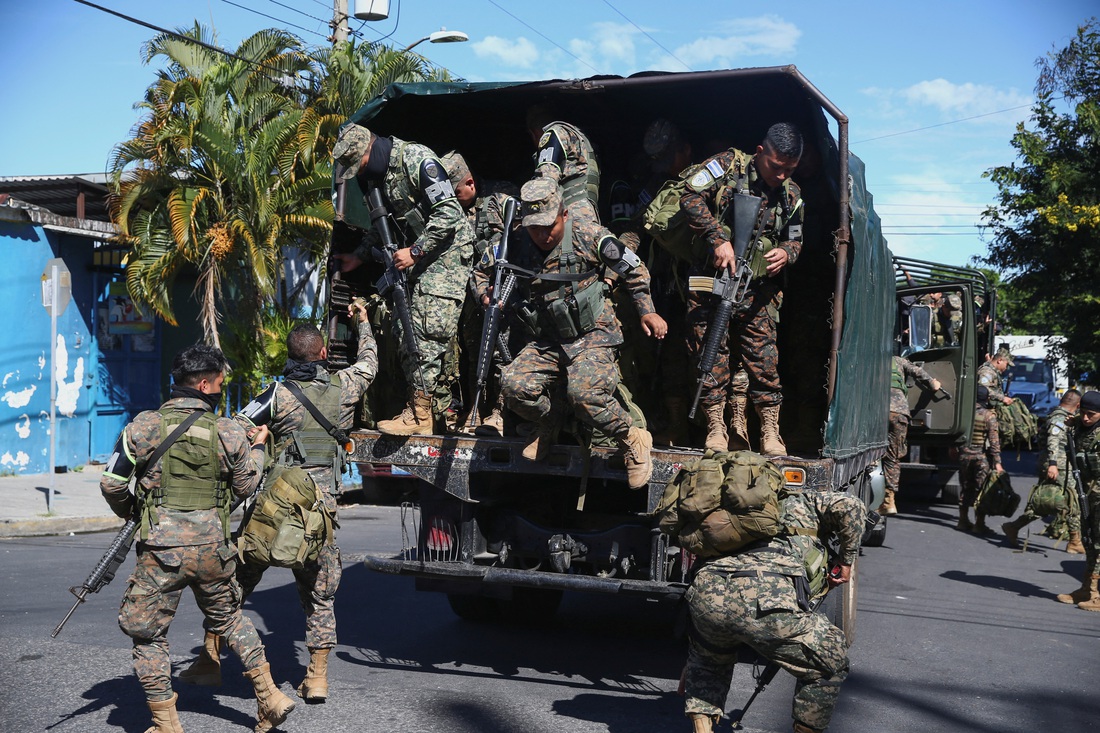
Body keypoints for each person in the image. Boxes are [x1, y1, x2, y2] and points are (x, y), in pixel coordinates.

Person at [180, 301, 378, 704]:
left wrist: (257, 445)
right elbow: (369, 360)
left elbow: (233, 427)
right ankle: (317, 677)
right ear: (324, 354)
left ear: (290, 357)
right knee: (320, 594)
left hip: (270, 508)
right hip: (318, 514)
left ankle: (208, 661)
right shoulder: (348, 386)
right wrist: (363, 322)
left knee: (234, 585)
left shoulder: (276, 394)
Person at [99, 344, 295, 733]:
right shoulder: (226, 432)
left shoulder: (143, 426)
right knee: (230, 618)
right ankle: (270, 695)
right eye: (220, 383)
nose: (221, 389)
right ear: (204, 384)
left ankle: (165, 723)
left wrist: (135, 513)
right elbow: (246, 485)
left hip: (161, 552)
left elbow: (112, 482)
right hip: (213, 549)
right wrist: (257, 450)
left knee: (147, 633)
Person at [500, 179, 666, 489]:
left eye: (548, 226)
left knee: (584, 395)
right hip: (549, 338)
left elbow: (634, 267)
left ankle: (632, 437)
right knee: (513, 386)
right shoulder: (518, 240)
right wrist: (486, 293)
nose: (542, 234)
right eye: (534, 227)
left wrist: (646, 310)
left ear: (563, 214)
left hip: (594, 333)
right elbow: (485, 270)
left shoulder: (588, 234)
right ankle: (548, 424)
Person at [682, 481, 867, 733]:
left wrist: (695, 657)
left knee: (709, 660)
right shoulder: (803, 501)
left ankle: (702, 727)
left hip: (708, 592)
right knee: (830, 660)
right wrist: (846, 560)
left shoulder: (726, 509)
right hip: (767, 596)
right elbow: (852, 506)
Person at [331, 123, 475, 435]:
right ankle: (421, 411)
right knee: (403, 328)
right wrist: (360, 254)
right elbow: (383, 224)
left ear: (370, 150)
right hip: (423, 257)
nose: (362, 172)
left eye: (361, 164)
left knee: (425, 329)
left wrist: (416, 251)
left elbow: (449, 214)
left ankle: (420, 417)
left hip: (448, 253)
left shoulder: (416, 160)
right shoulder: (380, 176)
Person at [680, 122, 805, 455]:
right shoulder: (725, 166)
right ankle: (716, 427)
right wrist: (717, 239)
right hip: (711, 280)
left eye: (789, 170)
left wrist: (786, 254)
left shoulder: (791, 194)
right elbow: (689, 196)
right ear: (760, 153)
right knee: (710, 354)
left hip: (758, 290)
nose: (781, 176)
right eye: (776, 167)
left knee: (763, 362)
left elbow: (795, 239)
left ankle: (769, 430)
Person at [440, 151, 520, 435]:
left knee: (501, 353)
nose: (452, 200)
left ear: (470, 183)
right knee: (474, 351)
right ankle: (475, 409)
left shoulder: (502, 199)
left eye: (456, 193)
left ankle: (499, 412)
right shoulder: (453, 212)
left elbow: (522, 243)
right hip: (474, 295)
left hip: (506, 292)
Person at [1002, 389, 1083, 552]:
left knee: (1045, 502)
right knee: (1072, 500)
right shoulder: (1059, 418)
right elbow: (1053, 439)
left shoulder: (1057, 415)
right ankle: (1075, 541)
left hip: (1055, 464)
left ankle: (1014, 526)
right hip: (1057, 466)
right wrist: (1052, 462)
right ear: (1078, 405)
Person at [1055, 390, 1100, 611]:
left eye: (1091, 414)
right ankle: (1088, 590)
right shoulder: (1081, 427)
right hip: (1088, 495)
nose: (1085, 417)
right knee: (1090, 542)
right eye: (1083, 412)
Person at [881, 355, 942, 515]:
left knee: (871, 453)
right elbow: (918, 372)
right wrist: (933, 383)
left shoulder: (870, 356)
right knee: (893, 457)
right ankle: (889, 500)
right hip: (899, 412)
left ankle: (874, 494)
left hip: (877, 410)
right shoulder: (898, 360)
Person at [527, 103, 601, 224]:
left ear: (532, 133)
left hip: (569, 216)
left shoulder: (552, 134)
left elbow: (545, 183)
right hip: (587, 214)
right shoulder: (579, 136)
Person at [957, 385, 1003, 533]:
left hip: (964, 455)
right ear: (987, 399)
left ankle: (962, 521)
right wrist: (997, 462)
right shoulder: (989, 416)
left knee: (965, 487)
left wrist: (953, 448)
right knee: (980, 490)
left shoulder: (964, 413)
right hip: (980, 458)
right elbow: (994, 441)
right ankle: (979, 524)